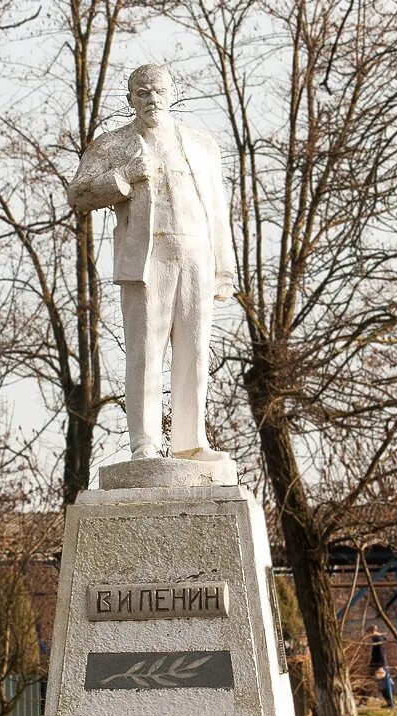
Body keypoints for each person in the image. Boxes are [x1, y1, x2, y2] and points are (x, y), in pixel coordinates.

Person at [66, 64, 238, 461]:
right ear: (130, 100)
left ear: (172, 93)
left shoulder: (201, 145)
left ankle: (190, 441)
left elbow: (217, 208)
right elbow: (78, 195)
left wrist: (224, 268)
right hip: (146, 259)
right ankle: (145, 443)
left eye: (158, 91)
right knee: (145, 351)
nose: (151, 99)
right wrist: (124, 176)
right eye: (142, 92)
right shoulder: (114, 145)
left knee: (194, 348)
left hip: (197, 253)